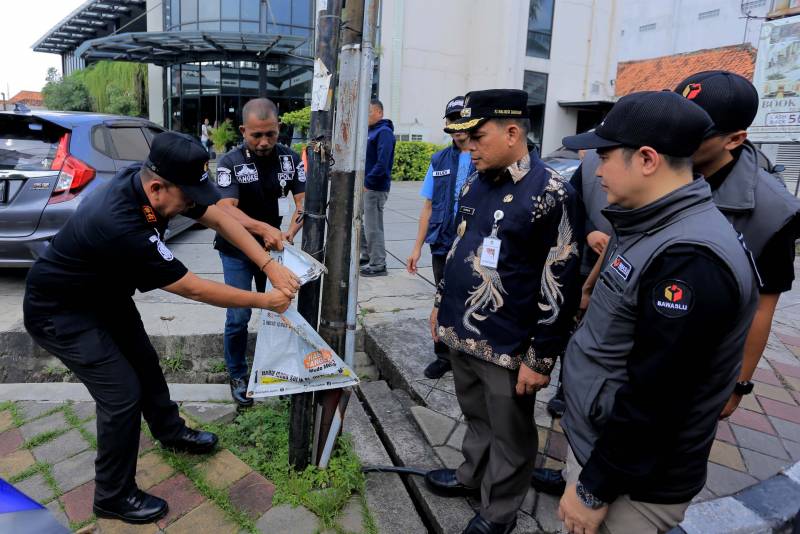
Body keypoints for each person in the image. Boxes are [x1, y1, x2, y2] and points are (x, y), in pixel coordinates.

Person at [23, 132, 299, 524]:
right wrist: (265, 301)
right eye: (188, 197)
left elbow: (218, 216)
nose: (191, 205)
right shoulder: (120, 221)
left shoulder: (154, 183)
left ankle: (170, 432)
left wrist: (267, 264)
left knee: (145, 364)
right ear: (157, 188)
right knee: (122, 395)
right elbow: (192, 287)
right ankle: (113, 496)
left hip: (105, 296)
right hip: (61, 311)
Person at [556, 91, 758, 534]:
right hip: (604, 446)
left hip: (632, 483)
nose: (596, 170)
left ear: (647, 159)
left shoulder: (689, 259)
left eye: (605, 156)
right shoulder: (650, 221)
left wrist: (593, 489)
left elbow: (659, 396)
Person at [425, 89, 581, 534]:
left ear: (512, 132)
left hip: (509, 341)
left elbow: (561, 279)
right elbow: (460, 244)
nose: (468, 147)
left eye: (477, 137)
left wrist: (541, 356)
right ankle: (471, 475)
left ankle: (499, 511)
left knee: (510, 431)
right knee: (475, 414)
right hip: (462, 328)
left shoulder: (551, 192)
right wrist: (440, 304)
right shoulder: (476, 180)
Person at [673, 71, 800, 418]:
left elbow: (762, 307)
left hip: (701, 364)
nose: (674, 137)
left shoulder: (773, 212)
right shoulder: (661, 167)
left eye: (693, 132)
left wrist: (738, 384)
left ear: (734, 139)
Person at [214, 97, 306, 407]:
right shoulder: (229, 163)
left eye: (271, 134)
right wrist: (263, 228)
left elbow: (303, 203)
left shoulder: (290, 159)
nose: (264, 142)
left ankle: (278, 371)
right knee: (238, 315)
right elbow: (225, 209)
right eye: (256, 135)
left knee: (280, 310)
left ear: (279, 128)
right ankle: (238, 374)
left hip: (274, 251)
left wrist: (289, 232)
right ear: (243, 131)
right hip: (236, 251)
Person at [406, 96, 475, 379]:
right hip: (442, 242)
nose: (457, 126)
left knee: (472, 300)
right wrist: (416, 247)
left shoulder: (484, 156)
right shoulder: (439, 159)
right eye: (451, 120)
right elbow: (428, 206)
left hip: (474, 245)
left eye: (462, 119)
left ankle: (469, 355)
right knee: (443, 298)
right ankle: (444, 355)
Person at [360, 99, 396, 277]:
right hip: (367, 187)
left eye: (369, 112)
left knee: (373, 227)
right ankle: (367, 255)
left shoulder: (384, 132)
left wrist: (368, 183)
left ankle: (378, 264)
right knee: (359, 222)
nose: (366, 116)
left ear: (379, 113)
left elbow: (382, 163)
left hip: (374, 188)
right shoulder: (370, 131)